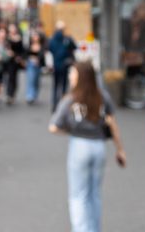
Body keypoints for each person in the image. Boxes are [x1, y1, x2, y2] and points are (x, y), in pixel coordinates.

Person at [48, 61, 126, 232]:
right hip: (99, 147)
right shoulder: (102, 96)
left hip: (79, 146)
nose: (70, 76)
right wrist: (120, 150)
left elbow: (53, 127)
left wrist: (70, 131)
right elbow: (112, 124)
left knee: (78, 196)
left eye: (72, 73)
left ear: (79, 76)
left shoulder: (70, 99)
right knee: (94, 194)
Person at [48, 21, 76, 110]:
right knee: (64, 86)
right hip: (64, 65)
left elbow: (49, 50)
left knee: (56, 86)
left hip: (56, 65)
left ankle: (55, 104)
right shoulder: (67, 39)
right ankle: (62, 105)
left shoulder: (52, 40)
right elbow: (74, 47)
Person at [4, 23, 25, 105]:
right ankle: (8, 94)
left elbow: (22, 50)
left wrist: (19, 57)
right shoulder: (7, 38)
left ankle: (12, 94)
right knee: (9, 77)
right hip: (8, 61)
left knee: (13, 78)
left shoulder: (19, 39)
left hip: (15, 61)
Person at [25, 29, 45, 105]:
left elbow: (43, 55)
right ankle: (30, 95)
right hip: (31, 65)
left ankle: (35, 95)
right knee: (31, 80)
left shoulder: (42, 46)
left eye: (36, 36)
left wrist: (38, 59)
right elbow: (25, 54)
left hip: (38, 65)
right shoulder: (29, 46)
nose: (35, 38)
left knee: (36, 81)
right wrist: (30, 59)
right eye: (34, 36)